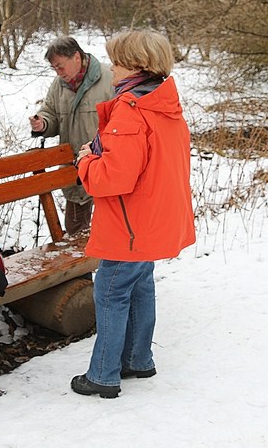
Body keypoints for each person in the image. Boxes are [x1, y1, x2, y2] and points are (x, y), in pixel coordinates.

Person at [70, 29, 196, 399]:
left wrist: (85, 161)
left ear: (135, 65)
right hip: (153, 221)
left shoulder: (131, 111)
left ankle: (103, 375)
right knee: (140, 286)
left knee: (110, 292)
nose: (111, 68)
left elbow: (111, 179)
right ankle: (138, 359)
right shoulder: (163, 104)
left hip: (130, 226)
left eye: (117, 61)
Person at [28, 36, 113, 235]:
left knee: (109, 231)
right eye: (54, 68)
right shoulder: (59, 85)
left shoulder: (110, 78)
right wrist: (42, 124)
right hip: (74, 171)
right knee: (75, 233)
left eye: (60, 66)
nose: (58, 72)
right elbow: (50, 113)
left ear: (76, 57)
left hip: (106, 169)